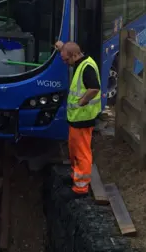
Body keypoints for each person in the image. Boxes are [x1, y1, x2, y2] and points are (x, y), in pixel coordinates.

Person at [54, 41, 102, 199]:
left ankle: (80, 189)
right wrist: (61, 47)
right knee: (74, 150)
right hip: (77, 119)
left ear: (74, 55)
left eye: (66, 60)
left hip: (83, 118)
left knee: (81, 153)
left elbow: (94, 88)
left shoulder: (86, 68)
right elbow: (68, 50)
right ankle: (76, 177)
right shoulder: (79, 60)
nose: (66, 63)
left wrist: (82, 101)